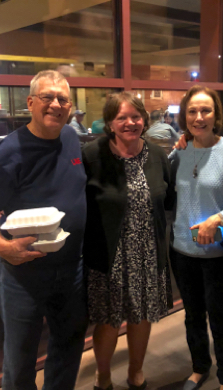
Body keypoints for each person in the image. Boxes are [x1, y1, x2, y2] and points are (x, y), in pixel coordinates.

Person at [0, 70, 88, 390]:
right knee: (21, 358)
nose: (55, 104)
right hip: (24, 274)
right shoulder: (10, 150)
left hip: (70, 270)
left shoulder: (69, 137)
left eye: (62, 99)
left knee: (68, 346)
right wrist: (0, 246)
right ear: (30, 102)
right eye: (47, 97)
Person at [82, 92, 175, 390]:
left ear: (145, 121)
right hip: (108, 254)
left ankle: (136, 371)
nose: (130, 123)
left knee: (141, 316)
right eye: (121, 117)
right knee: (108, 320)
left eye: (136, 117)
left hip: (148, 252)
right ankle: (103, 375)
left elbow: (170, 199)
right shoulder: (91, 155)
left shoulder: (158, 156)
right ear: (109, 123)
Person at [168, 85, 223, 390]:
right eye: (192, 111)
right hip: (182, 251)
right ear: (184, 116)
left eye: (205, 110)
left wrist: (218, 218)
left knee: (220, 319)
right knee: (192, 316)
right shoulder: (178, 152)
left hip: (217, 254)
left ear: (216, 115)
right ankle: (199, 367)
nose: (199, 117)